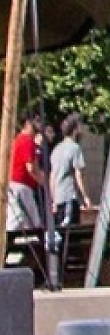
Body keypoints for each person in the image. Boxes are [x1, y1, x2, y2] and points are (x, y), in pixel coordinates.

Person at [46, 115, 90, 290]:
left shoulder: (56, 149)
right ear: (75, 129)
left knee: (58, 237)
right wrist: (85, 196)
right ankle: (65, 276)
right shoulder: (75, 148)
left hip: (57, 196)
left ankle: (58, 274)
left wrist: (52, 198)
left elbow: (51, 176)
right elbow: (78, 174)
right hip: (68, 196)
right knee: (71, 237)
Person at [5, 111, 49, 285]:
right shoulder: (26, 141)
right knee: (33, 224)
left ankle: (23, 263)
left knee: (21, 224)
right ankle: (40, 269)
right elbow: (30, 167)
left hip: (17, 185)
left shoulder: (18, 140)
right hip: (21, 186)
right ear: (29, 122)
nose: (40, 124)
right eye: (37, 120)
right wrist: (43, 181)